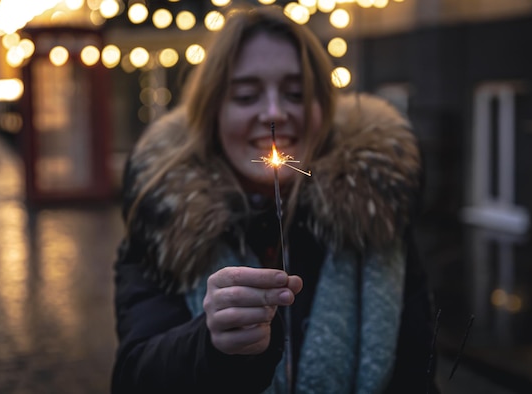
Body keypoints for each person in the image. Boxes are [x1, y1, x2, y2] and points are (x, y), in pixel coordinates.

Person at [111, 4, 438, 393]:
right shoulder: (162, 220)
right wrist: (210, 345)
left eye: (296, 94)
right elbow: (135, 377)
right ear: (213, 112)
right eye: (247, 95)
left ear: (322, 107)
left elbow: (416, 377)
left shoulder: (377, 217)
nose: (274, 113)